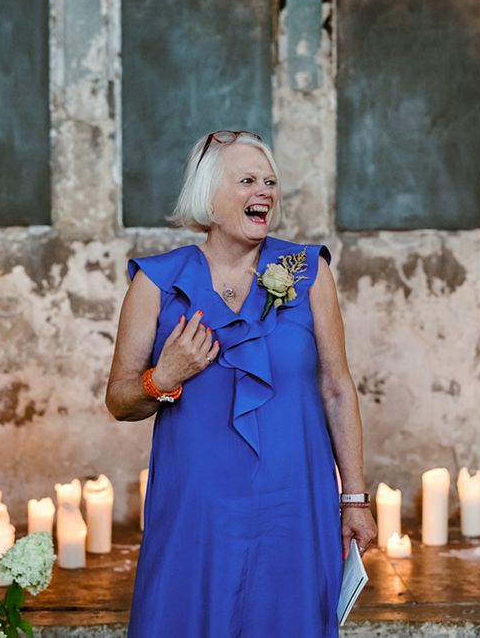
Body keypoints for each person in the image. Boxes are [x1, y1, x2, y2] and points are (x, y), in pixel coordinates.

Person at [105, 130, 376, 637]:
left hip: (294, 503)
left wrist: (355, 500)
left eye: (270, 181)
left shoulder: (306, 272)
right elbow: (119, 400)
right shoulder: (156, 282)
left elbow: (337, 387)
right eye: (247, 180)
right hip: (197, 508)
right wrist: (162, 378)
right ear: (208, 195)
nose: (265, 192)